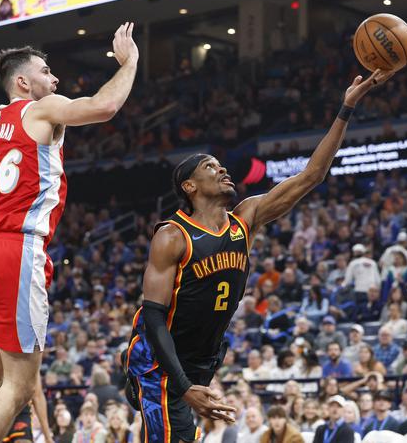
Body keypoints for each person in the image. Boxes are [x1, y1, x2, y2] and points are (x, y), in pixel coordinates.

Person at [123, 69, 393, 442]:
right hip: (159, 361)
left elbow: (311, 176)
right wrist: (183, 386)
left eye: (221, 165)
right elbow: (153, 318)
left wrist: (346, 107)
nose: (222, 169)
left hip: (201, 358)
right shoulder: (172, 236)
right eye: (210, 167)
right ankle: (142, 385)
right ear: (189, 186)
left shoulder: (245, 219)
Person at [0, 24, 139, 443]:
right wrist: (131, 61)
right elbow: (105, 106)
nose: (55, 80)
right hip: (18, 250)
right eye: (47, 72)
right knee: (18, 386)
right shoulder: (41, 110)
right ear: (23, 82)